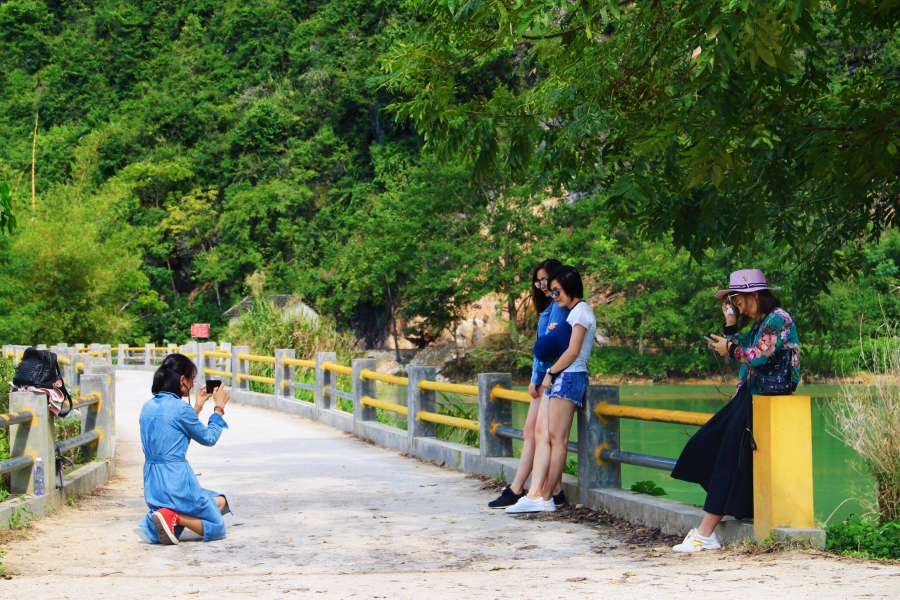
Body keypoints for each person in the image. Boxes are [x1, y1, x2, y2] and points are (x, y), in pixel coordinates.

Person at [670, 269, 800, 552]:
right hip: (749, 395)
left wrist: (728, 347)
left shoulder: (779, 319)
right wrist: (730, 326)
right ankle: (729, 511)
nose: (738, 308)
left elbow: (755, 356)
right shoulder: (760, 322)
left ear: (754, 295)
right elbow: (743, 349)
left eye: (739, 302)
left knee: (730, 459)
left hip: (766, 398)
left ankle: (705, 532)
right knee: (704, 444)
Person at [506, 266, 596, 513]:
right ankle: (540, 496)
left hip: (569, 376)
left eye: (557, 290)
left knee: (558, 440)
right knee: (550, 438)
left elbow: (573, 351)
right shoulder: (572, 312)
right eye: (552, 291)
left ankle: (545, 498)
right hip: (563, 376)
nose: (553, 295)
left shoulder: (582, 311)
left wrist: (551, 372)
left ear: (570, 287)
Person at [488, 259, 570, 508]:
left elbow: (554, 346)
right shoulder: (550, 306)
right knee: (531, 433)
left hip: (552, 377)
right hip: (543, 377)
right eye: (539, 282)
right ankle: (551, 492)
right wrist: (535, 378)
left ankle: (520, 490)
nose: (543, 286)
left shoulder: (560, 307)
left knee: (539, 434)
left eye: (546, 280)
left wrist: (541, 377)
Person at [138, 353, 232, 545]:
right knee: (217, 526)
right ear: (182, 380)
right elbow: (208, 438)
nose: (191, 384)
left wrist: (197, 407)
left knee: (220, 501)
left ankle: (166, 515)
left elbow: (175, 435)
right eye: (191, 379)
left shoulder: (147, 407)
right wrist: (219, 408)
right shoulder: (181, 409)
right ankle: (175, 516)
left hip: (154, 485)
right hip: (178, 483)